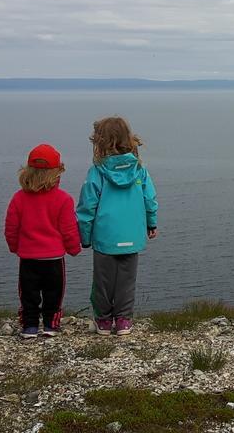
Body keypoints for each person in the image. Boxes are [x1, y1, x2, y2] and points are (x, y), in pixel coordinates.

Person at [76, 116, 159, 336]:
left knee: (103, 281)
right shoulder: (139, 169)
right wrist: (152, 223)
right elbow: (150, 199)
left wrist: (84, 236)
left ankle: (103, 321)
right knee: (126, 280)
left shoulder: (97, 171)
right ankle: (123, 321)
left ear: (100, 142)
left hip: (105, 236)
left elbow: (86, 207)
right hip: (132, 235)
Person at [4, 143, 82, 339]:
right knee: (54, 293)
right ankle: (50, 324)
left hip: (28, 257)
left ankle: (29, 326)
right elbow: (69, 229)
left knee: (28, 293)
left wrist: (15, 247)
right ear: (57, 172)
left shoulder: (19, 198)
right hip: (53, 258)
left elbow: (11, 228)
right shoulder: (63, 199)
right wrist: (74, 248)